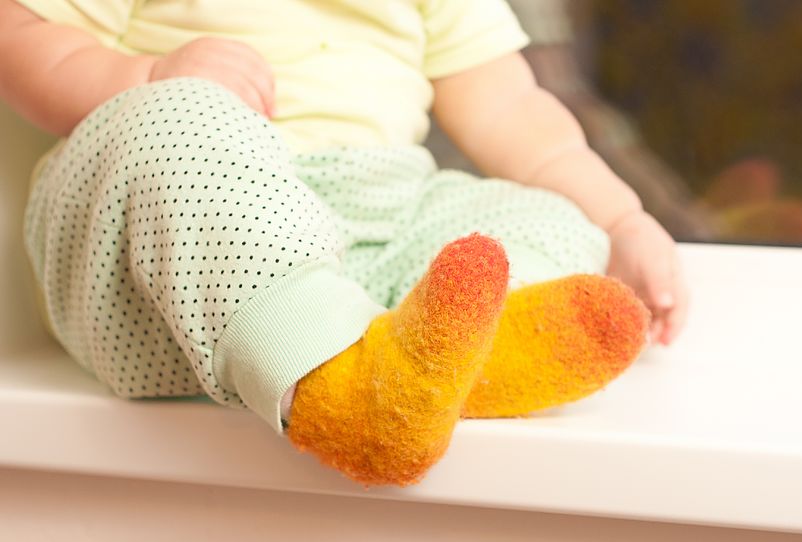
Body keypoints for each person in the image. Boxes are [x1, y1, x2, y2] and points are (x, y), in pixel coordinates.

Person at [0, 0, 686, 485]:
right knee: (175, 118)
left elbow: (512, 110)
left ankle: (443, 364)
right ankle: (348, 397)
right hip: (179, 253)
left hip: (369, 235)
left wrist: (622, 220)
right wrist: (144, 76)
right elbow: (20, 33)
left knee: (548, 217)